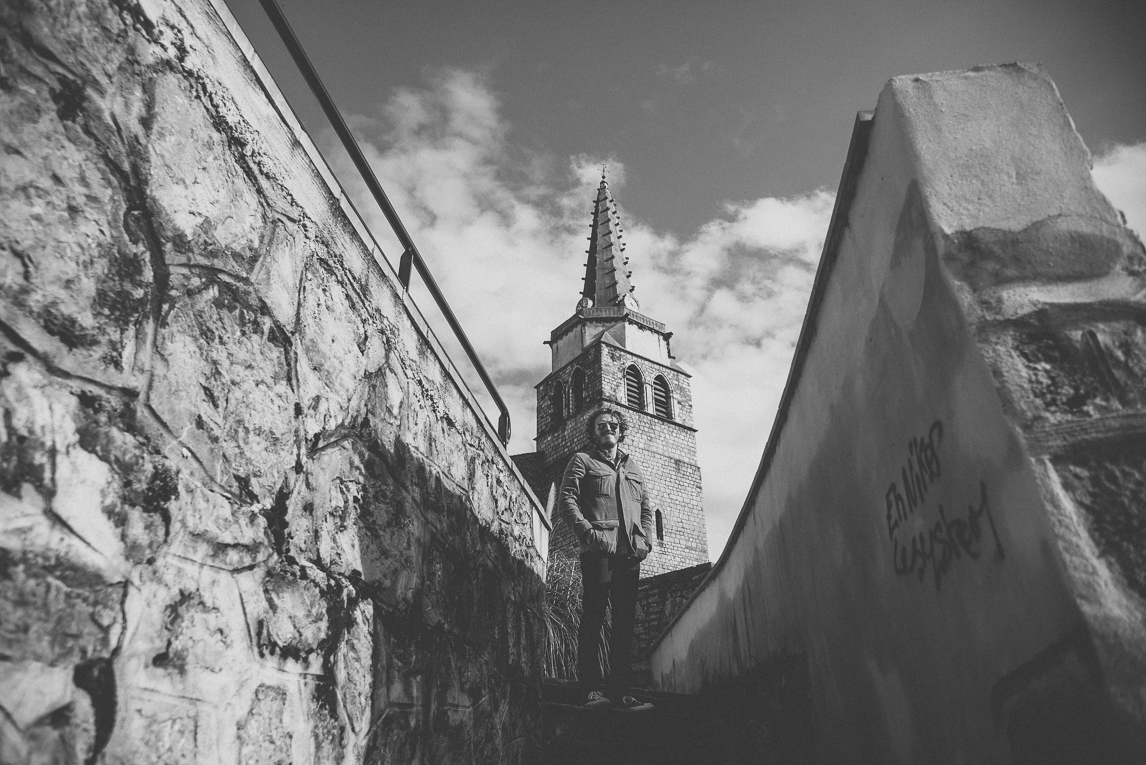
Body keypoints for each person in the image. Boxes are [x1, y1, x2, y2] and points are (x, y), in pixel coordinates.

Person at [559, 406, 656, 711]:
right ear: (593, 432)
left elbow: (646, 507)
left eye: (613, 424)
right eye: (601, 425)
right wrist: (590, 535)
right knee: (594, 617)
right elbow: (566, 501)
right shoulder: (582, 461)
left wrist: (646, 542)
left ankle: (621, 692)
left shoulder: (633, 468)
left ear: (620, 430)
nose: (608, 428)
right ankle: (590, 690)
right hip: (599, 551)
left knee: (625, 623)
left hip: (630, 555)